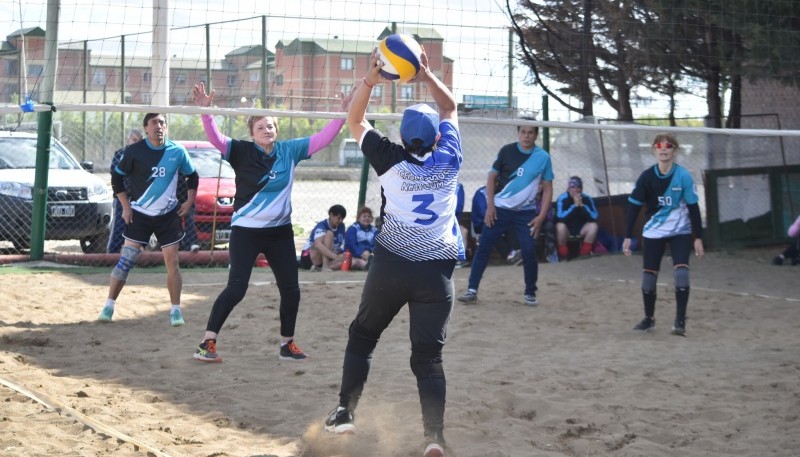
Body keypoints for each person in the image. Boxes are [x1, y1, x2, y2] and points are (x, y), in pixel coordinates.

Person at [323, 47, 461, 457]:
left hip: (391, 266)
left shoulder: (389, 160)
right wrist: (425, 74)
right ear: (437, 137)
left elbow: (354, 119)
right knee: (428, 358)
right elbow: (449, 106)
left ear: (402, 137)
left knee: (363, 335)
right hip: (436, 272)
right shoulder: (450, 158)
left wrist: (371, 78)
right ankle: (433, 437)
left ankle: (345, 412)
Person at [190, 81, 353, 363]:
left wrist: (341, 113)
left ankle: (286, 345)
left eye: (271, 126)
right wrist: (207, 113)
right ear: (252, 132)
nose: (268, 130)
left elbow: (323, 138)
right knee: (236, 288)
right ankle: (207, 342)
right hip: (246, 231)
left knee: (291, 289)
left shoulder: (289, 151)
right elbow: (216, 139)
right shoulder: (241, 151)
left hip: (279, 232)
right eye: (261, 127)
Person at [97, 113, 198, 326]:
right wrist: (125, 207)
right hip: (139, 214)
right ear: (145, 128)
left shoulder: (177, 151)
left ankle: (176, 311)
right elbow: (116, 178)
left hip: (167, 216)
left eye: (162, 123)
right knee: (126, 260)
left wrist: (189, 202)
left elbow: (193, 176)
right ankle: (109, 305)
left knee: (173, 263)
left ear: (166, 127)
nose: (158, 126)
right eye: (154, 123)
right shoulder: (134, 151)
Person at [457, 124, 554, 307]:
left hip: (526, 213)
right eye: (523, 132)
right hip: (499, 210)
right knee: (484, 247)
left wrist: (541, 216)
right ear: (518, 133)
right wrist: (490, 206)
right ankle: (472, 290)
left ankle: (530, 293)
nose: (526, 136)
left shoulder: (543, 157)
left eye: (530, 132)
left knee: (528, 250)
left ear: (536, 135)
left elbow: (548, 188)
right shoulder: (506, 151)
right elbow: (491, 178)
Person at [622, 133, 704, 336]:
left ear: (675, 151)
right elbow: (633, 207)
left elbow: (693, 208)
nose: (663, 149)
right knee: (648, 277)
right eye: (659, 145)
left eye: (668, 146)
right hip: (654, 231)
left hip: (680, 231)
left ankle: (679, 321)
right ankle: (649, 319)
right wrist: (627, 235)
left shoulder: (683, 176)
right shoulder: (647, 177)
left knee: (681, 272)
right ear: (654, 150)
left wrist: (698, 237)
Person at [106, 128, 143, 254]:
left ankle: (135, 253)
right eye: (134, 140)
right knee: (119, 226)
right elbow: (115, 173)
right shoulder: (121, 153)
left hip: (138, 197)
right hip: (122, 197)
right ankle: (112, 253)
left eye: (139, 140)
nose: (136, 142)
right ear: (128, 140)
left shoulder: (144, 154)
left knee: (137, 226)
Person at [469, 185, 521, 263]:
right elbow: (482, 212)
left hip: (498, 221)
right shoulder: (481, 193)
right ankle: (508, 256)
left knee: (511, 227)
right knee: (493, 231)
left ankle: (514, 252)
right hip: (481, 223)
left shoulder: (503, 192)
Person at [554, 176, 599, 259]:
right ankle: (563, 256)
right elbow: (560, 217)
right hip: (567, 229)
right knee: (560, 226)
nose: (576, 190)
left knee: (593, 226)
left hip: (581, 228)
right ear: (569, 188)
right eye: (573, 187)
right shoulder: (562, 198)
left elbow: (594, 216)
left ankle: (584, 255)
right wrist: (574, 206)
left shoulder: (587, 198)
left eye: (579, 188)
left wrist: (582, 206)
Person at [300, 204, 348, 271]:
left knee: (349, 262)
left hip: (326, 258)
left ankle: (319, 268)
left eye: (342, 218)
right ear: (331, 215)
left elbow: (339, 246)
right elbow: (317, 245)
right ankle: (325, 266)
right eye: (339, 218)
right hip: (308, 257)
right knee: (329, 234)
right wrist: (336, 257)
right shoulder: (322, 225)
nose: (341, 221)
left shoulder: (341, 226)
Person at [344, 206, 378, 271]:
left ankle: (370, 266)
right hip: (355, 254)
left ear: (371, 219)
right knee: (355, 262)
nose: (367, 218)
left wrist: (369, 252)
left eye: (369, 216)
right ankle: (370, 267)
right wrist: (361, 253)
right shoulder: (353, 228)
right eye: (364, 216)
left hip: (369, 255)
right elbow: (351, 245)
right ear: (359, 218)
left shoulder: (375, 230)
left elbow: (376, 245)